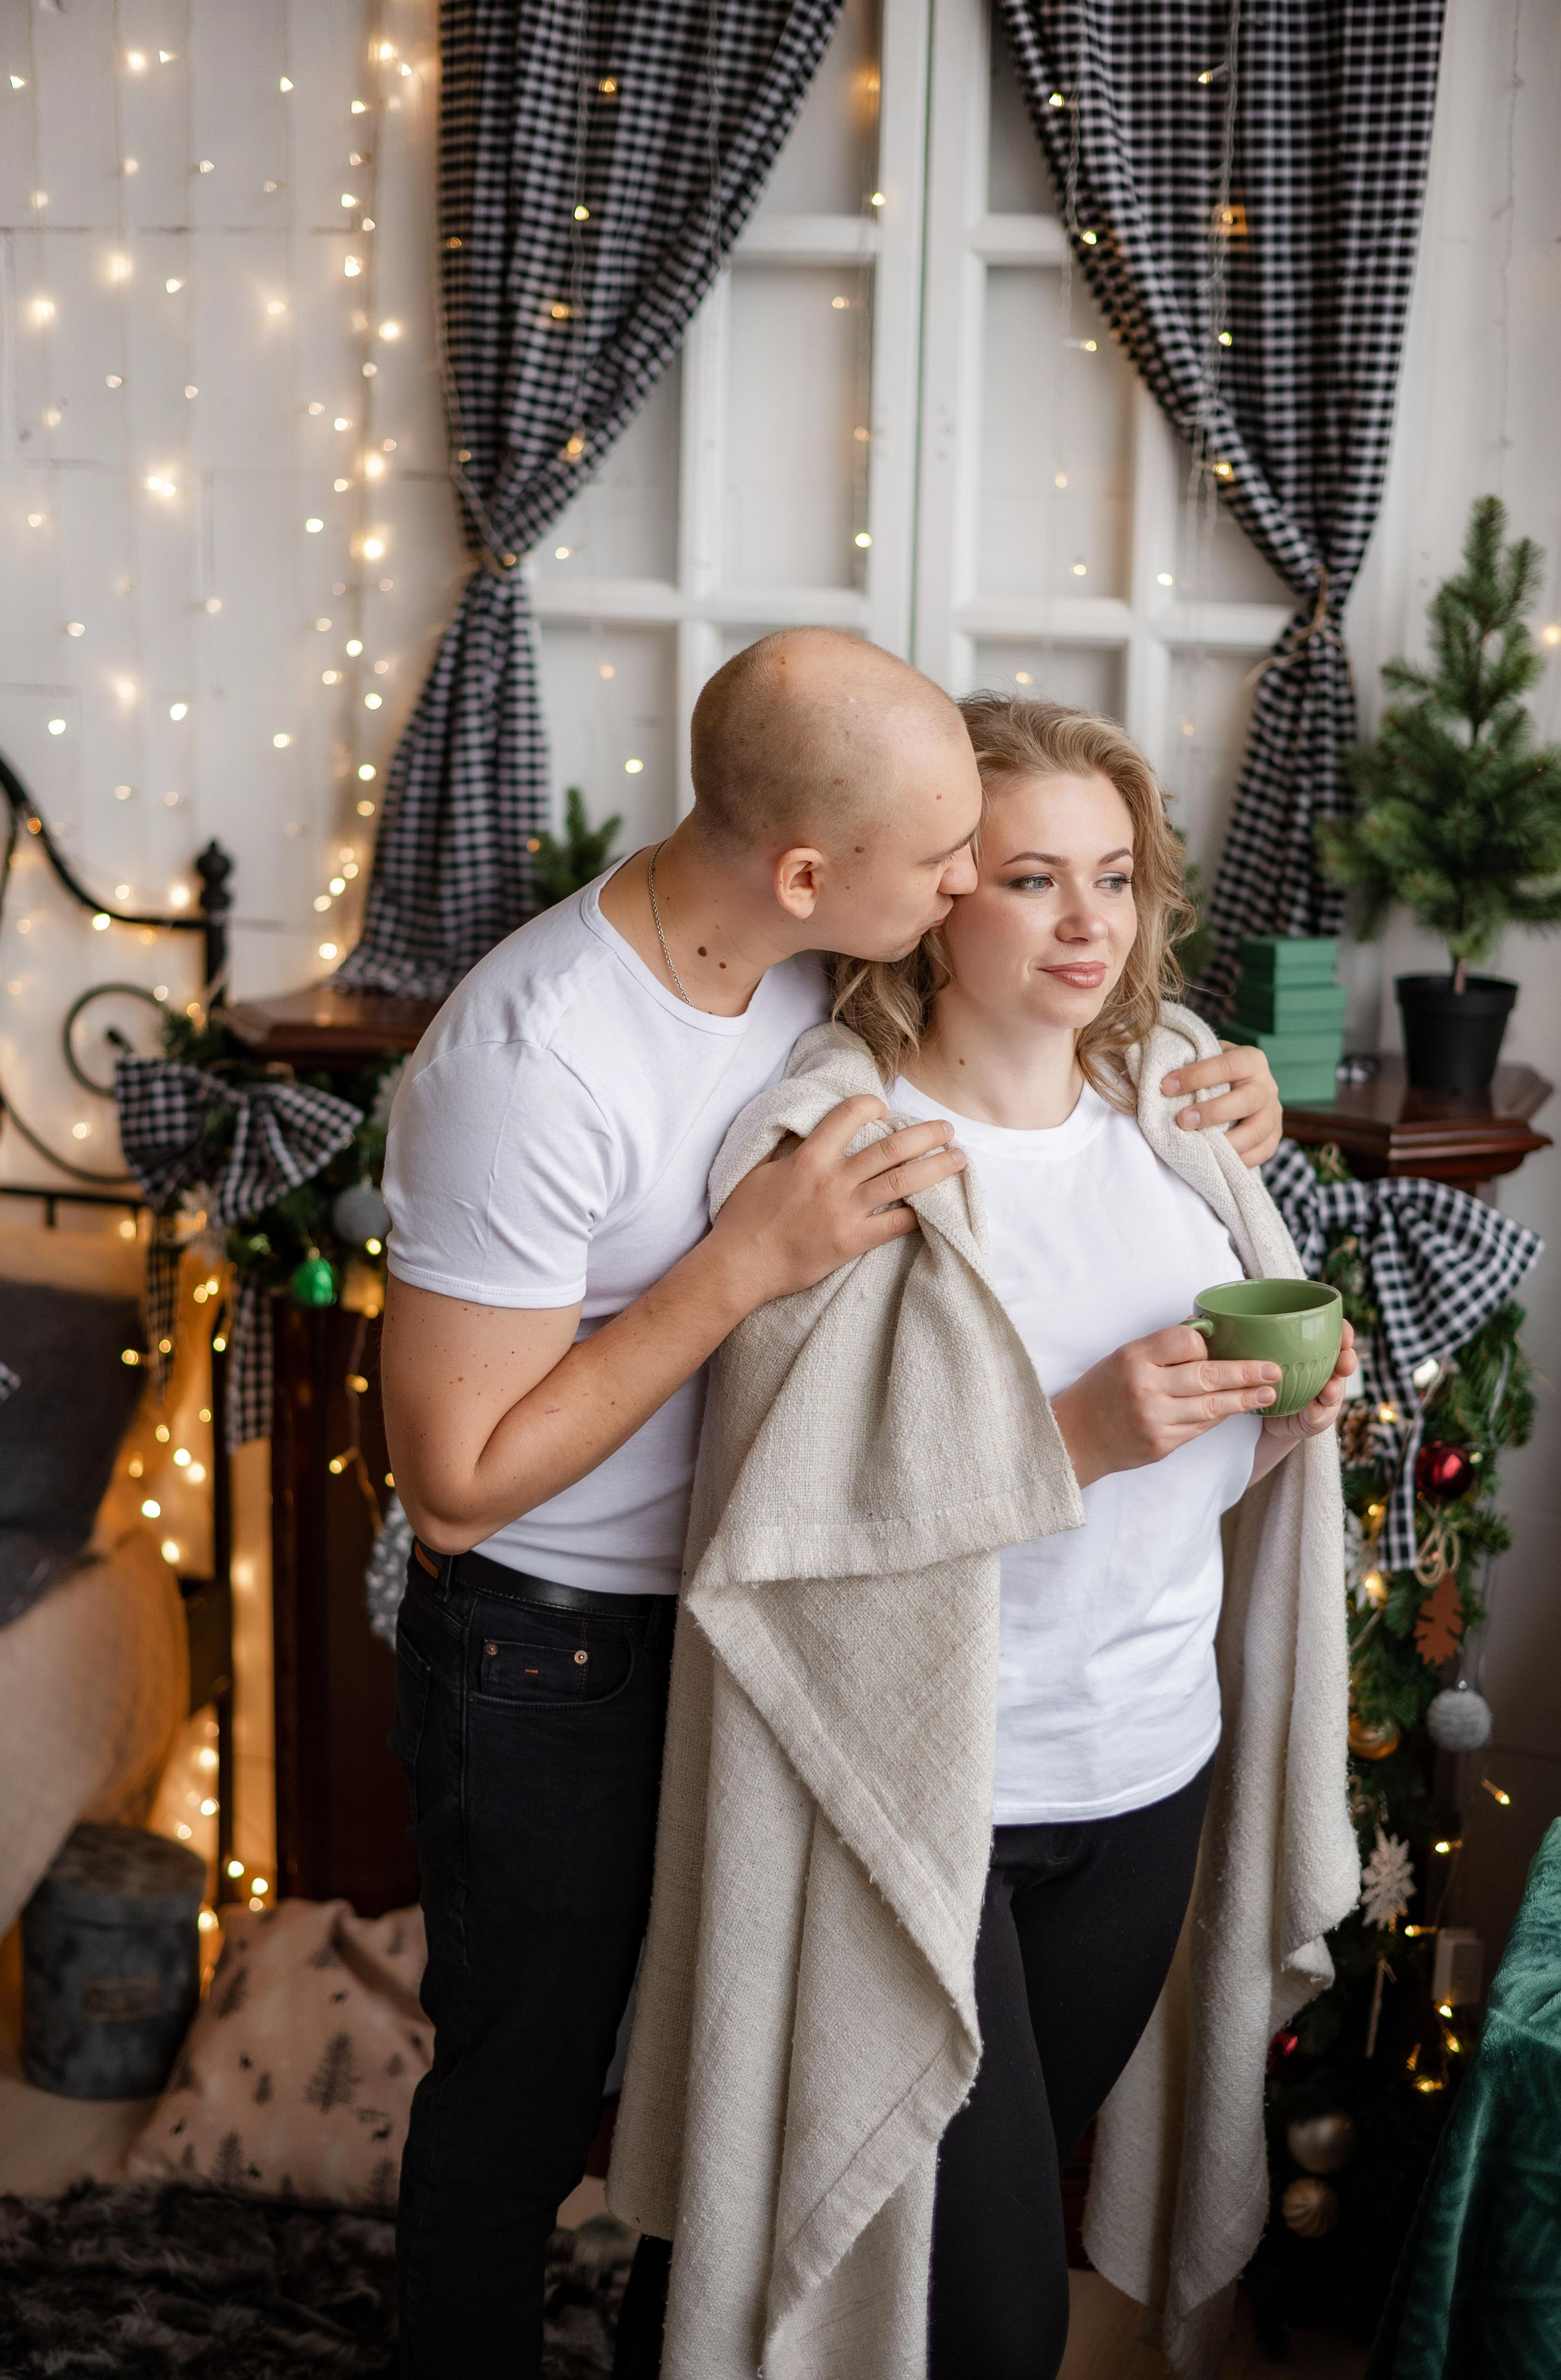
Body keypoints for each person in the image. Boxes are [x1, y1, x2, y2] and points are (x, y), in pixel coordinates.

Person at [378, 638, 1286, 2379]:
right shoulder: (532, 1058)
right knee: (531, 2096)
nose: (969, 889)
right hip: (564, 1651)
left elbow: (1055, 1020)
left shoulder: (820, 964)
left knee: (736, 2112)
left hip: (786, 1642)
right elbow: (454, 1487)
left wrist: (1215, 1068)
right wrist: (737, 1266)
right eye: (957, 864)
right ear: (813, 875)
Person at [607, 694, 1357, 2380]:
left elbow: (1204, 1479)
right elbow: (786, 1532)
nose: (1091, 923)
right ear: (941, 897)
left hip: (1145, 1776)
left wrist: (1282, 1423)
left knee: (897, 2228)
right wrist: (1075, 1430)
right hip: (932, 1801)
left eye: (1117, 876)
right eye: (1033, 877)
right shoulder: (845, 1155)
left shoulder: (1180, 1118)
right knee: (987, 2307)